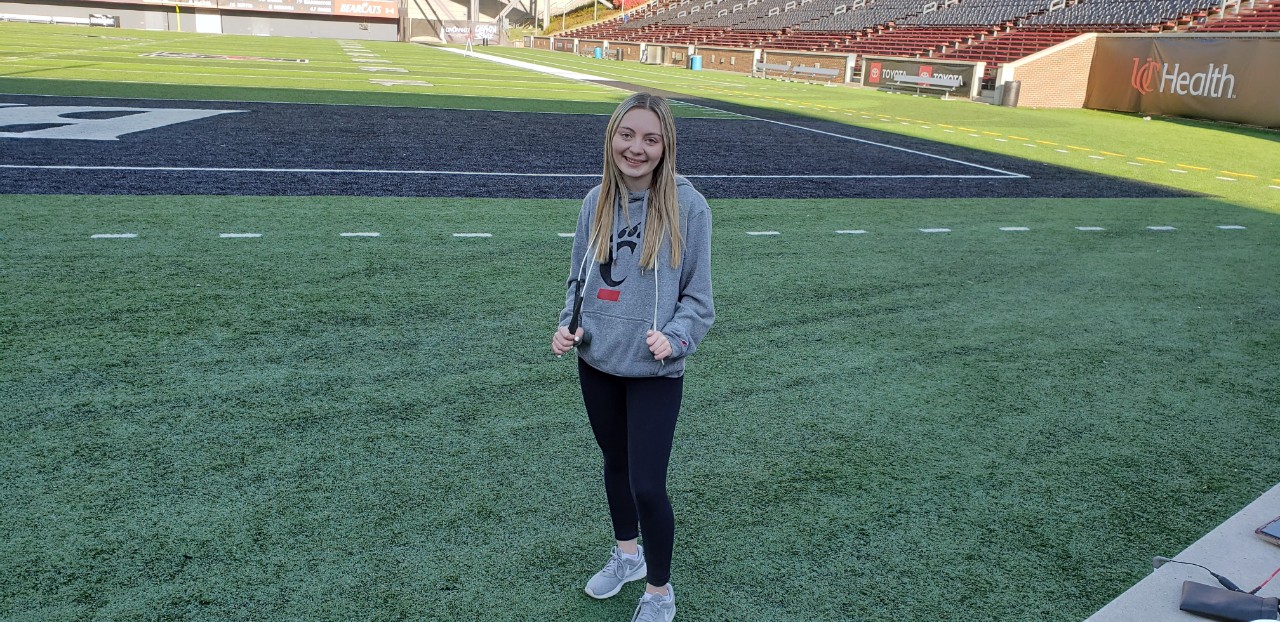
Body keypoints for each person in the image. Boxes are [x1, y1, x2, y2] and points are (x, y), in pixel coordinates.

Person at [551, 92, 714, 622]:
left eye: (650, 138)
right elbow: (578, 278)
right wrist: (569, 324)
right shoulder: (595, 200)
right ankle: (627, 556)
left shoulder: (689, 207)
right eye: (627, 135)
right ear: (612, 138)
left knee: (646, 482)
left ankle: (659, 592)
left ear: (666, 146)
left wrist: (676, 337)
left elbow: (699, 300)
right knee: (615, 465)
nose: (636, 148)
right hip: (597, 361)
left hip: (654, 369)